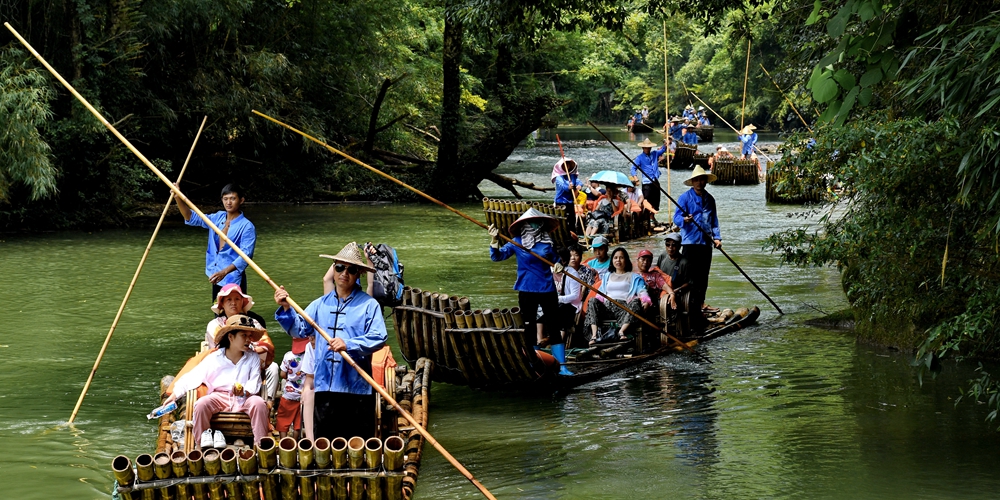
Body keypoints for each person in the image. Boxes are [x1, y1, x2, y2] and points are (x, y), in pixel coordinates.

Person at [273, 242, 387, 441]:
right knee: (324, 446)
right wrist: (285, 309)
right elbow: (299, 329)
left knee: (358, 448)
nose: (344, 273)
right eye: (340, 267)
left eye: (351, 269)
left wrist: (349, 344)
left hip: (357, 388)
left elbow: (379, 337)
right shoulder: (319, 305)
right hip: (325, 386)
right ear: (334, 269)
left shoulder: (369, 305)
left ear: (358, 273)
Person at [163, 315, 270, 449]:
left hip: (245, 398)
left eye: (249, 336)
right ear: (231, 337)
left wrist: (243, 390)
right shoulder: (214, 358)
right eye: (244, 336)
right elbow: (193, 377)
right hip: (219, 397)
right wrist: (174, 396)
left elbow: (254, 382)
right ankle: (201, 447)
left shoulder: (252, 357)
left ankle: (262, 447)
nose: (248, 340)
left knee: (259, 403)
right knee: (201, 404)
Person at [488, 208, 563, 347]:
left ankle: (562, 366)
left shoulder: (547, 241)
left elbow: (555, 259)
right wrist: (494, 240)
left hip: (547, 288)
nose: (535, 226)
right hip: (527, 288)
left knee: (553, 325)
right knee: (529, 325)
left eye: (537, 222)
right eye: (531, 223)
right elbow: (497, 256)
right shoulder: (517, 242)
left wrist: (559, 264)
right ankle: (534, 360)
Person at [177, 183, 257, 300]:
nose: (228, 202)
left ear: (241, 200)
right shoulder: (218, 217)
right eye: (225, 199)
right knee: (218, 313)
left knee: (235, 315)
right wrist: (177, 197)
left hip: (232, 278)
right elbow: (191, 217)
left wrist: (224, 272)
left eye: (232, 199)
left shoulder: (247, 226)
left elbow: (246, 256)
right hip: (215, 275)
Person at [206, 283, 279, 407]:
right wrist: (252, 347)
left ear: (242, 303)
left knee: (273, 368)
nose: (233, 303)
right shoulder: (214, 324)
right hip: (224, 364)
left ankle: (269, 403)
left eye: (237, 299)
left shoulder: (253, 322)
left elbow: (266, 345)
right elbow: (222, 347)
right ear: (222, 304)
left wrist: (249, 349)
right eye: (229, 299)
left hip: (252, 361)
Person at [672, 166, 721, 334]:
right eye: (697, 180)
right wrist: (685, 220)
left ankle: (699, 307)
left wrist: (717, 238)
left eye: (702, 179)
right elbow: (676, 218)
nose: (700, 182)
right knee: (690, 279)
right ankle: (689, 311)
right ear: (692, 182)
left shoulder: (710, 199)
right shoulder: (685, 198)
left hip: (706, 244)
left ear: (705, 181)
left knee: (703, 278)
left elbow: (714, 221)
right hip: (690, 243)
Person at [585, 247, 651, 345]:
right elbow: (600, 293)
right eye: (615, 258)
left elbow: (642, 291)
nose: (618, 260)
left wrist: (645, 301)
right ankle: (594, 335)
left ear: (626, 260)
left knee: (636, 301)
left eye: (621, 258)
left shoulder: (634, 277)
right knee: (592, 301)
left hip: (624, 309)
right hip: (607, 308)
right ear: (612, 260)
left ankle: (621, 332)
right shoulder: (607, 276)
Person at [654, 232, 692, 316]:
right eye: (668, 245)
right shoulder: (663, 256)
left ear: (679, 246)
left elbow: (689, 283)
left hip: (676, 291)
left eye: (674, 245)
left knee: (667, 303)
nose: (670, 248)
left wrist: (675, 291)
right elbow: (656, 273)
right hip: (661, 288)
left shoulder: (684, 263)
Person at [630, 138, 668, 214]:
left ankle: (652, 216)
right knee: (646, 200)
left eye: (648, 148)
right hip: (646, 182)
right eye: (645, 148)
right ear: (643, 148)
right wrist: (636, 178)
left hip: (655, 180)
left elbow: (663, 149)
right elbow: (633, 169)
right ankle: (645, 216)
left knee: (656, 199)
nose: (647, 149)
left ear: (650, 148)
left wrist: (666, 143)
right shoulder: (639, 158)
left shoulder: (655, 153)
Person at [552, 158, 583, 234]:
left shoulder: (572, 176)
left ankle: (573, 235)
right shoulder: (559, 177)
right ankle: (562, 234)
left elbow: (580, 182)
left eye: (568, 164)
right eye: (565, 165)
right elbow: (563, 186)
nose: (567, 166)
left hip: (570, 201)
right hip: (561, 201)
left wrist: (579, 186)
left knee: (571, 219)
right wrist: (569, 187)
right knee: (562, 219)